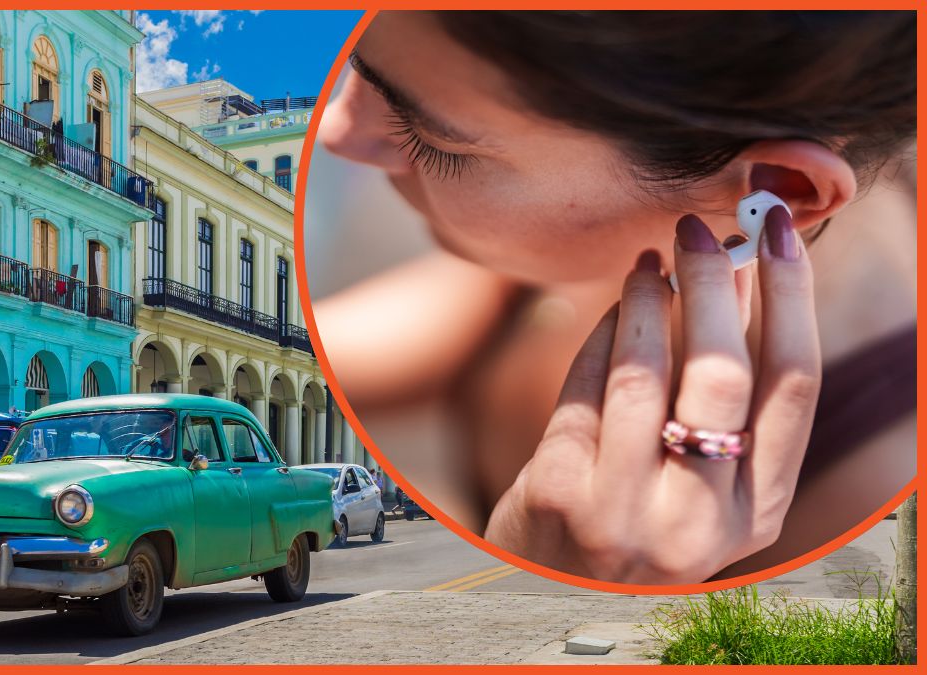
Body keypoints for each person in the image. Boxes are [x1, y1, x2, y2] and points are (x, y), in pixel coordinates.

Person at [315, 11, 915, 583]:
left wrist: (539, 580)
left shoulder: (859, 498)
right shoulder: (625, 219)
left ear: (776, 189)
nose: (338, 132)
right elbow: (368, 349)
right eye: (362, 67)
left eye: (431, 137)